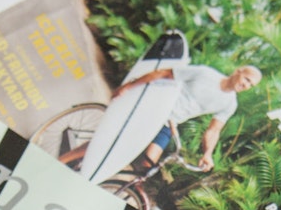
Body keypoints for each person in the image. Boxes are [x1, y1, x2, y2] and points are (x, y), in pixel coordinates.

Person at [112, 64, 262, 172]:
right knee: (115, 143)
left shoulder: (230, 104)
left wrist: (207, 154)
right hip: (155, 110)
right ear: (237, 71)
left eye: (251, 84)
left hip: (169, 124)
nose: (246, 85)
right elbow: (164, 73)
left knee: (149, 162)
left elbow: (213, 131)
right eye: (246, 79)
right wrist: (128, 87)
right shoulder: (206, 74)